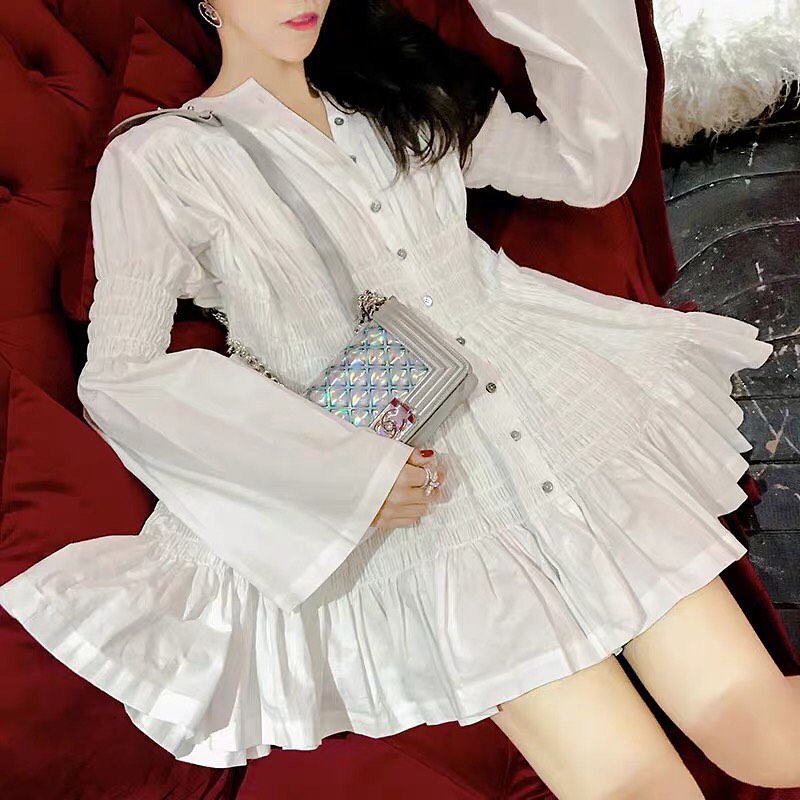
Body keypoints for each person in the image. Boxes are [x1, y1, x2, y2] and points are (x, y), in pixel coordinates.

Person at [0, 0, 798, 797]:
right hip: (422, 501)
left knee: (757, 725)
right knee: (632, 784)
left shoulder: (403, 85)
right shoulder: (161, 158)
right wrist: (338, 474)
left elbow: (589, 168)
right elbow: (123, 374)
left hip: (561, 410)